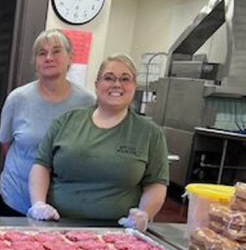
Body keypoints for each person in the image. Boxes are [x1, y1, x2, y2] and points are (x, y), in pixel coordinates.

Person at [27, 53, 169, 231]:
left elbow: (156, 183)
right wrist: (39, 203)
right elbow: (41, 165)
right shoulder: (66, 121)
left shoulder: (150, 133)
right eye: (109, 78)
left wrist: (144, 213)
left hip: (119, 232)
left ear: (134, 86)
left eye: (125, 79)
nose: (117, 84)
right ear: (96, 85)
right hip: (56, 224)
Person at [0, 29, 95, 217]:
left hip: (65, 202)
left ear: (70, 57)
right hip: (16, 198)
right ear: (35, 61)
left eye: (56, 51)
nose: (49, 58)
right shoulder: (17, 98)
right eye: (42, 53)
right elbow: (6, 144)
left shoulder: (88, 102)